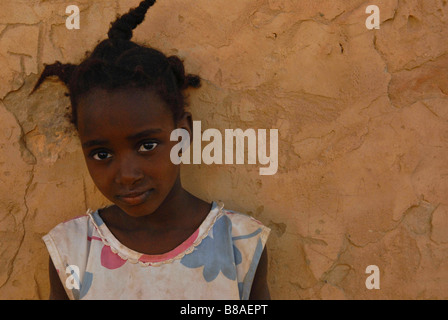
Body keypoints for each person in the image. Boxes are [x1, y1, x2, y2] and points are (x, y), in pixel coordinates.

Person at [34, 0, 270, 300]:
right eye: (102, 154)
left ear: (182, 135)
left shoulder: (240, 243)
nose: (127, 175)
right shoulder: (71, 250)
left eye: (147, 145)